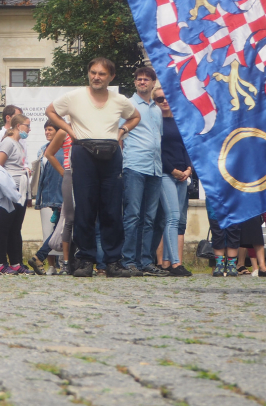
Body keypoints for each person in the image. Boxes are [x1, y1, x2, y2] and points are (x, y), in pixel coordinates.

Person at [46, 57, 140, 278]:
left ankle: (113, 262)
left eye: (102, 74)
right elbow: (50, 111)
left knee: (112, 210)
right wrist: (69, 129)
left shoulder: (119, 100)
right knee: (86, 209)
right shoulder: (74, 97)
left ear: (111, 77)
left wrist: (122, 131)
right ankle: (85, 260)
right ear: (88, 73)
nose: (97, 77)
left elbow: (135, 117)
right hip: (84, 151)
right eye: (94, 72)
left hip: (111, 153)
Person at [120, 67, 166, 277]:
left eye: (146, 79)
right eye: (139, 79)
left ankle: (145, 261)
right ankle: (128, 260)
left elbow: (159, 138)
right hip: (135, 165)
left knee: (150, 218)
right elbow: (119, 135)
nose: (142, 82)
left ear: (153, 83)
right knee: (132, 216)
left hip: (155, 168)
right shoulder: (128, 105)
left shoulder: (157, 109)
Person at [149, 86, 192, 277]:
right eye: (159, 99)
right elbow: (156, 150)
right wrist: (172, 170)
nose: (164, 101)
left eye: (167, 98)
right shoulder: (155, 122)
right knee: (172, 217)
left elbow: (188, 147)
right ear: (154, 102)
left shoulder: (180, 121)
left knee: (178, 219)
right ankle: (175, 263)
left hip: (183, 174)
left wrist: (189, 169)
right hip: (166, 173)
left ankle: (168, 262)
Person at [0, 114, 32, 274]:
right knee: (4, 226)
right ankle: (0, 262)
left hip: (20, 190)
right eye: (27, 126)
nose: (29, 129)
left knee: (16, 227)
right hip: (9, 190)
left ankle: (16, 262)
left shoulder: (19, 144)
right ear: (18, 126)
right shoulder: (7, 142)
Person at [29, 121, 66, 275]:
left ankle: (44, 257)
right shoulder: (43, 149)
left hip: (62, 193)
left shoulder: (66, 148)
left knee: (62, 229)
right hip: (49, 195)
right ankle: (48, 260)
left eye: (50, 129)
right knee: (58, 230)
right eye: (45, 130)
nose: (47, 132)